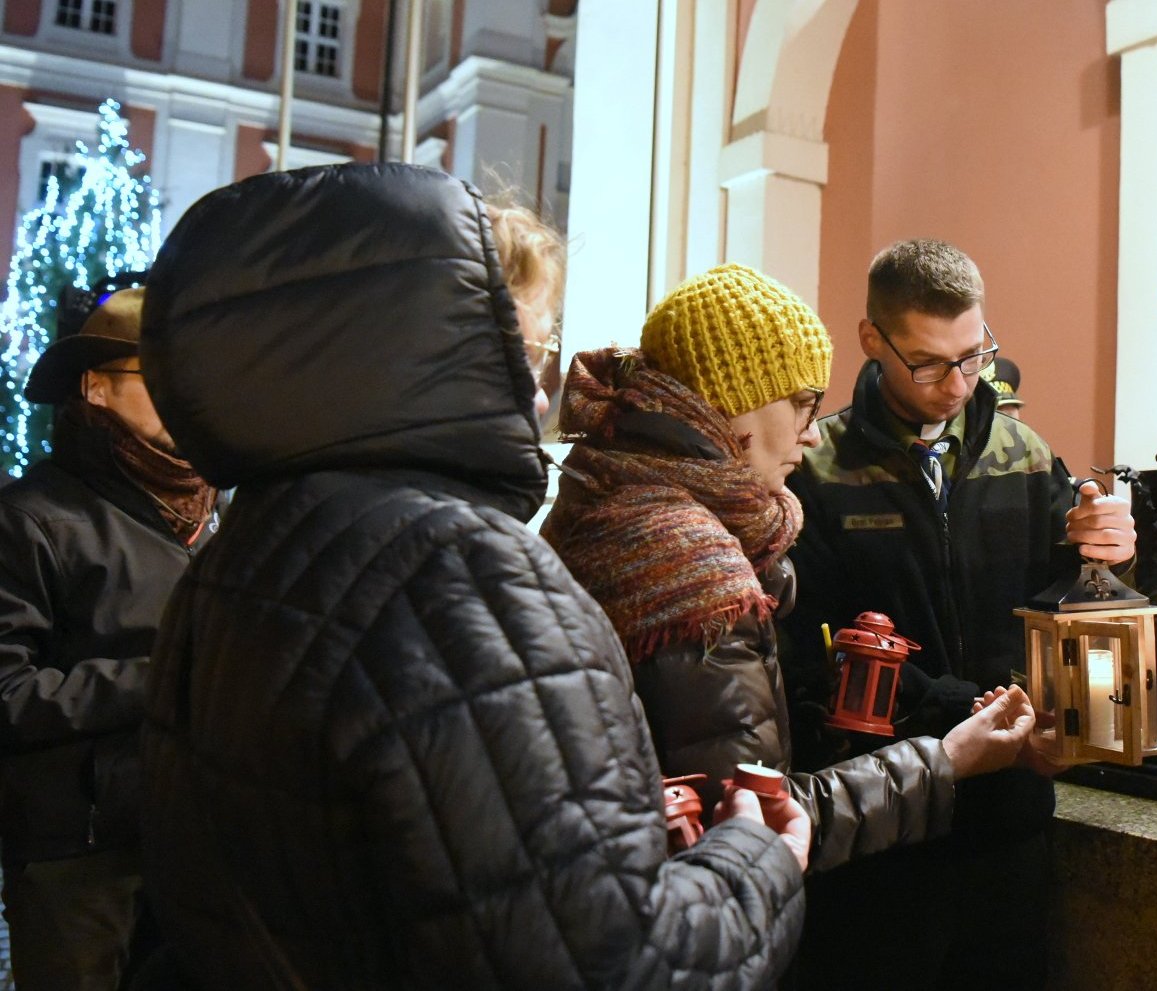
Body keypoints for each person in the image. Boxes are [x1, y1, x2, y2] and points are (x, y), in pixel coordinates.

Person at [134, 163, 812, 989]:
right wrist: (757, 856)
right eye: (527, 346)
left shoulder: (238, 557)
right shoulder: (465, 571)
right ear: (427, 348)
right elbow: (614, 966)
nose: (539, 383)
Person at [540, 263, 1035, 880]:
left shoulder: (610, 491)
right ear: (734, 401)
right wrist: (947, 761)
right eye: (801, 402)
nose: (807, 432)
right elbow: (749, 832)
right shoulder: (689, 563)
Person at [779, 239, 1135, 990]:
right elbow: (815, 661)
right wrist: (966, 713)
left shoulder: (1027, 455)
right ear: (872, 341)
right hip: (882, 829)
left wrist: (1110, 552)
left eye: (974, 355)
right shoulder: (818, 470)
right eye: (929, 362)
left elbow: (1065, 604)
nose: (957, 383)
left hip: (1008, 822)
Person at [0, 282, 218, 990]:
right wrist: (160, 675)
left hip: (194, 843)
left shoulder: (216, 514)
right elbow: (9, 695)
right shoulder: (32, 518)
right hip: (77, 857)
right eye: (154, 376)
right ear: (94, 388)